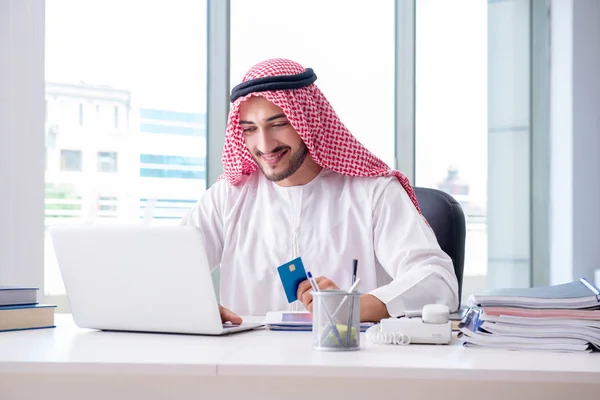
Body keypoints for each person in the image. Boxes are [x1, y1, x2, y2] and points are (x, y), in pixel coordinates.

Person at [181, 58, 459, 324]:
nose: (264, 144)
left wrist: (356, 306)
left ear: (308, 120)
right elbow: (168, 269)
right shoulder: (228, 197)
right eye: (250, 129)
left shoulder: (373, 193)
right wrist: (196, 306)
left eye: (278, 124)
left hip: (348, 363)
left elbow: (437, 281)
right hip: (248, 366)